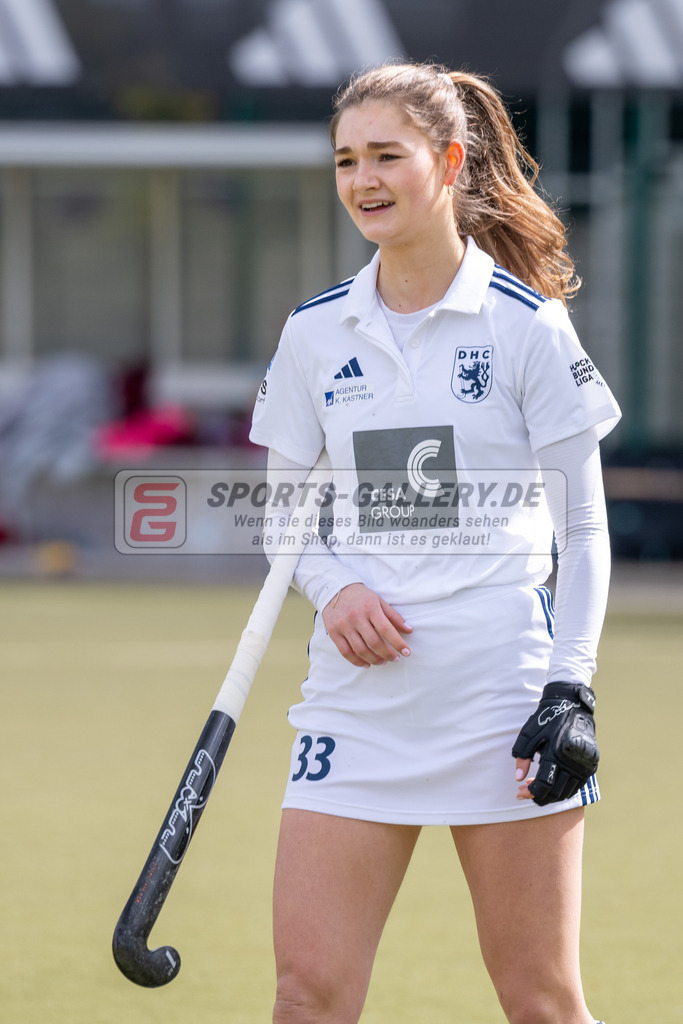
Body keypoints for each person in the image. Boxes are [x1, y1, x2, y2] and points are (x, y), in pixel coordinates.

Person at [249, 61, 620, 1024]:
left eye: (386, 156)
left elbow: (583, 529)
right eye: (344, 160)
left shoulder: (529, 327)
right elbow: (282, 515)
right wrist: (331, 589)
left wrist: (570, 685)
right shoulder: (314, 334)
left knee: (539, 999)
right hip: (357, 701)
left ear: (449, 162)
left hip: (501, 697)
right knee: (306, 995)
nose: (362, 180)